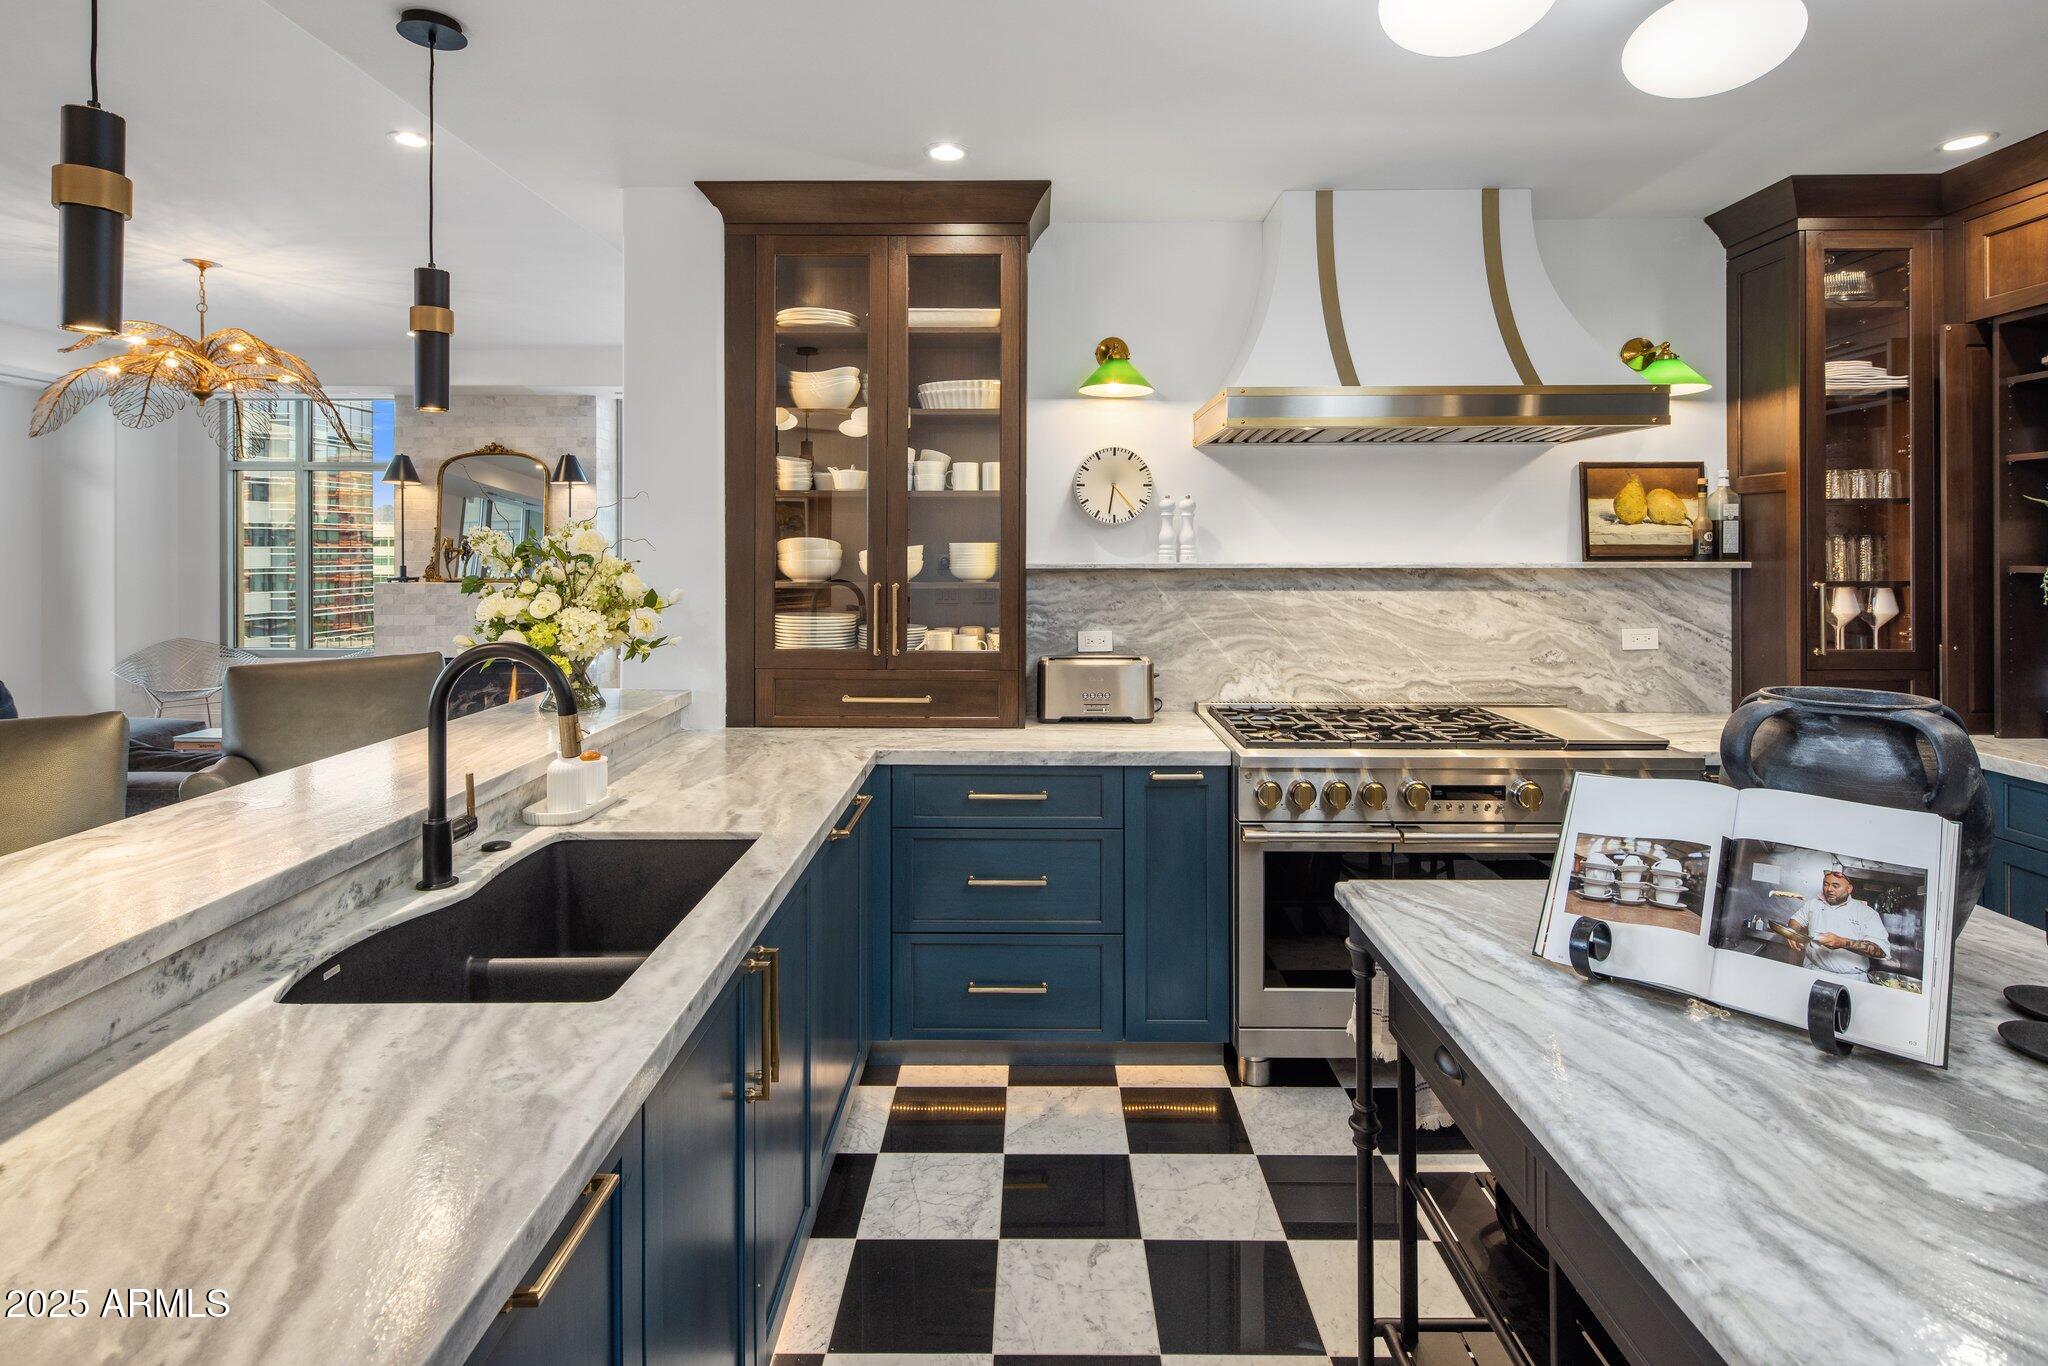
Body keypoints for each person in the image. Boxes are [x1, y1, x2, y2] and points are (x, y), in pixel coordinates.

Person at [1786, 863, 1891, 982]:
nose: (1829, 889)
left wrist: (1842, 942)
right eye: (1826, 884)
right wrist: (1793, 931)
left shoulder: (1866, 913)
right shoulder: (1814, 904)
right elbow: (1796, 920)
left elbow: (1881, 951)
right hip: (1813, 972)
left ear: (1849, 889)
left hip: (1850, 978)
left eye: (1835, 885)